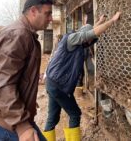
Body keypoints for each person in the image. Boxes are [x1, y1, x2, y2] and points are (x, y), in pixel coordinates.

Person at [0, 0, 53, 141]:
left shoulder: (24, 33)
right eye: (47, 13)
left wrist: (27, 98)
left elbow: (12, 76)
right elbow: (3, 83)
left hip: (3, 115)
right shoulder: (19, 34)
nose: (51, 18)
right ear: (33, 11)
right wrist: (22, 126)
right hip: (8, 120)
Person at [42, 12, 121, 141]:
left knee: (53, 117)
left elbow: (89, 32)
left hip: (52, 83)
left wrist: (99, 21)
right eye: (88, 39)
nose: (89, 42)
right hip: (59, 85)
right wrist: (112, 20)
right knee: (75, 114)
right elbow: (90, 33)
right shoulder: (72, 38)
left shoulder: (76, 40)